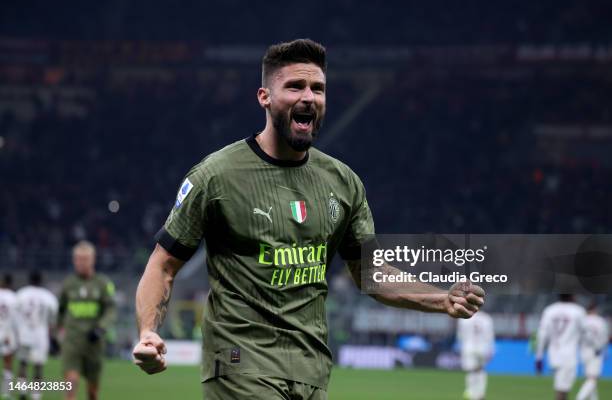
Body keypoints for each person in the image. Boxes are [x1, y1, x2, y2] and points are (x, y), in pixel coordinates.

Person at [132, 38, 485, 399]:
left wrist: (441, 300)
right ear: (264, 97)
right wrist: (148, 331)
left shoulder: (343, 182)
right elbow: (163, 265)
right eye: (295, 86)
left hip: (311, 371)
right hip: (241, 366)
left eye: (318, 88)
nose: (309, 97)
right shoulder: (216, 176)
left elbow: (371, 273)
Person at [58, 241, 116, 400]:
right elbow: (60, 310)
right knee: (70, 384)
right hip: (72, 341)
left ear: (93, 260)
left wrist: (101, 328)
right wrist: (57, 332)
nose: (81, 263)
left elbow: (111, 309)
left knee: (92, 392)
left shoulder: (103, 283)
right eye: (77, 259)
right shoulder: (68, 284)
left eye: (84, 259)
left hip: (94, 343)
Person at [15, 271, 59, 400]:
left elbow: (15, 313)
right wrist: (53, 336)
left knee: (22, 363)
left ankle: (22, 393)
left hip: (24, 333)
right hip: (40, 335)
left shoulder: (21, 293)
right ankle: (36, 396)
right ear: (41, 281)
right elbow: (53, 318)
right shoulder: (48, 296)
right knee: (38, 366)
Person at [536, 294, 586, 400]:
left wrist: (539, 357)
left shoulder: (549, 310)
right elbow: (585, 332)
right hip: (568, 355)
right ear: (572, 296)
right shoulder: (578, 311)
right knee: (562, 390)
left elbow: (542, 334)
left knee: (561, 388)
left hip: (553, 354)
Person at [457, 310, 495, 400]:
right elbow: (490, 336)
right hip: (482, 348)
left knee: (471, 371)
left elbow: (460, 336)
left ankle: (471, 392)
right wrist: (491, 350)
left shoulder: (464, 318)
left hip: (468, 347)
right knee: (481, 370)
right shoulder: (487, 318)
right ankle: (480, 394)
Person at [576, 301, 609, 400]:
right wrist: (605, 351)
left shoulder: (583, 320)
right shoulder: (601, 321)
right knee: (593, 379)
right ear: (595, 310)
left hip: (583, 351)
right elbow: (604, 338)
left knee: (589, 378)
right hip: (596, 352)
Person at [0, 274, 18, 400]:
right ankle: (6, 393)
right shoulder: (14, 297)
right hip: (7, 333)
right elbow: (16, 319)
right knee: (8, 363)